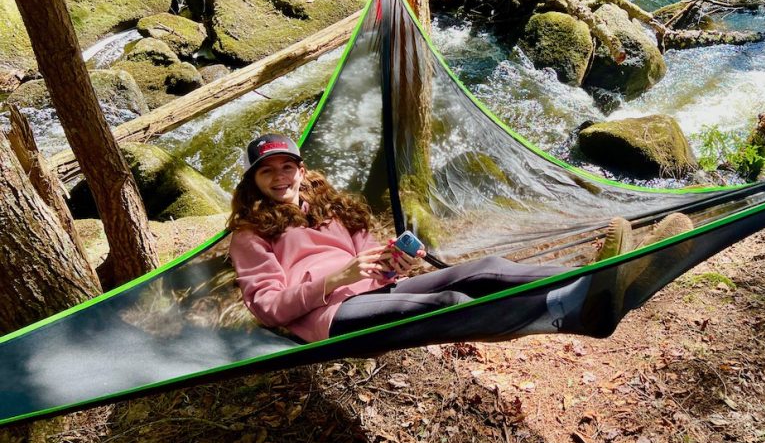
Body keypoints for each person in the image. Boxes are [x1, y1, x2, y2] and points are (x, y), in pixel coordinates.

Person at [228, 133, 692, 347]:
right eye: (267, 171)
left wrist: (396, 263)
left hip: (373, 292)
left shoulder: (331, 204)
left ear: (301, 168)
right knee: (451, 300)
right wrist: (334, 279)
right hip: (327, 316)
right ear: (254, 180)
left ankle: (595, 279)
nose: (279, 176)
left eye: (286, 166)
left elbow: (374, 266)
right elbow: (268, 306)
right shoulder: (251, 233)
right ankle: (572, 311)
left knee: (483, 269)